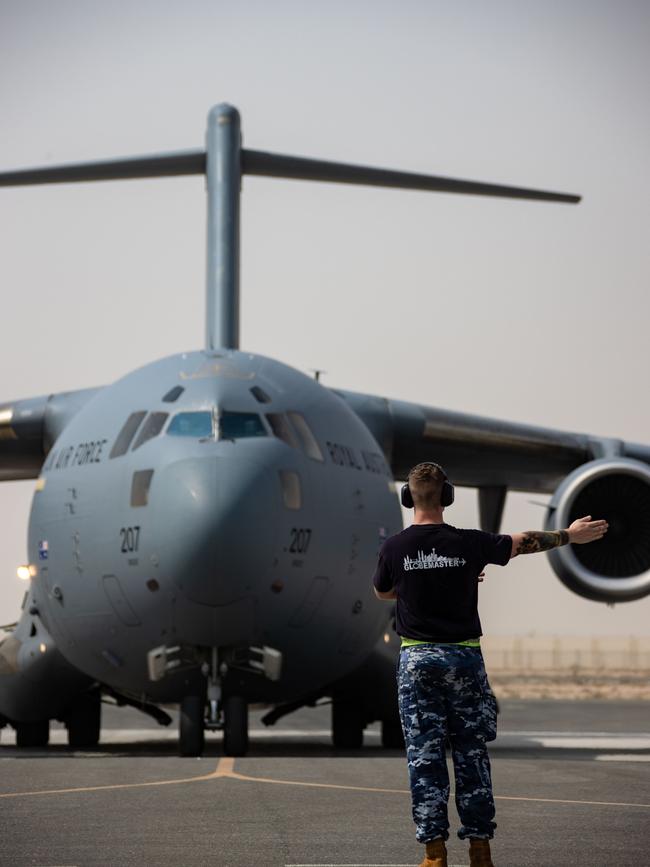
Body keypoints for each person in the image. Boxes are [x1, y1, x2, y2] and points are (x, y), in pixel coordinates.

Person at [372, 462, 608, 867]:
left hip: (417, 661)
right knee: (471, 754)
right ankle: (480, 849)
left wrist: (416, 585)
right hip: (463, 658)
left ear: (408, 498)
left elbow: (383, 592)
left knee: (424, 759)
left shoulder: (394, 548)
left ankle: (434, 853)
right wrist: (570, 535)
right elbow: (523, 541)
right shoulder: (470, 544)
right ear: (447, 497)